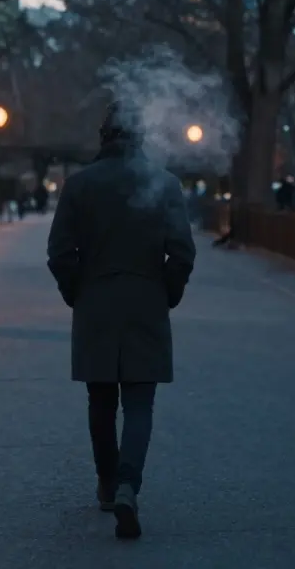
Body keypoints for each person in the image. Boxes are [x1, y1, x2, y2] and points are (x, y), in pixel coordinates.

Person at [46, 101, 196, 540]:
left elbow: (59, 253)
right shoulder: (163, 184)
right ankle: (130, 483)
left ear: (104, 137)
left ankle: (109, 483)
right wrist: (166, 293)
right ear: (142, 138)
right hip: (146, 298)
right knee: (139, 404)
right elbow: (182, 253)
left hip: (96, 300)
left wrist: (77, 292)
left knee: (100, 402)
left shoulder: (80, 185)